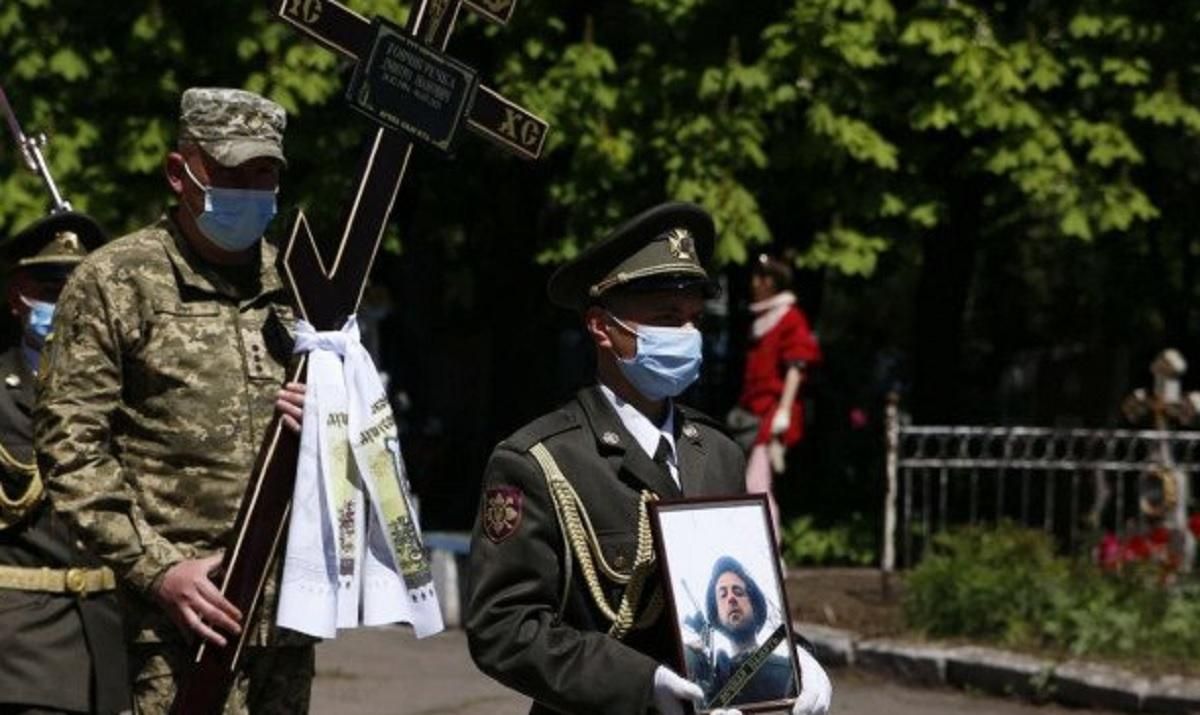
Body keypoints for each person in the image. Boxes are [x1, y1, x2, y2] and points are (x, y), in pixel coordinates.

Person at [466, 202, 832, 715]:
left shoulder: (717, 451)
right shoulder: (539, 461)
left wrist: (795, 658)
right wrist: (645, 685)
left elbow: (741, 594)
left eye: (693, 320)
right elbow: (504, 627)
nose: (686, 336)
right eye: (665, 318)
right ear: (601, 327)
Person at [34, 88, 310, 713]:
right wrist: (159, 570)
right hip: (171, 630)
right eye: (230, 171)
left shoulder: (299, 287)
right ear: (178, 172)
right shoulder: (116, 281)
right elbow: (70, 453)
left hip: (287, 623)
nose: (249, 187)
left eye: (263, 172)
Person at [0, 211, 130, 714]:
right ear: (17, 296)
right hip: (20, 647)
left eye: (82, 287)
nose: (68, 302)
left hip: (111, 641)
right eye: (53, 287)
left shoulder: (129, 389)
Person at [731, 254, 821, 539]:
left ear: (771, 281)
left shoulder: (789, 317)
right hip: (754, 411)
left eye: (759, 277)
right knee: (752, 482)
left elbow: (797, 365)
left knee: (757, 483)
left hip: (772, 412)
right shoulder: (763, 318)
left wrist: (783, 411)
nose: (754, 283)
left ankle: (769, 551)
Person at [686, 556, 798, 708]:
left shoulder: (789, 670)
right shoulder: (711, 681)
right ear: (717, 616)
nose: (731, 598)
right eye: (722, 595)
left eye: (738, 591)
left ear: (753, 605)